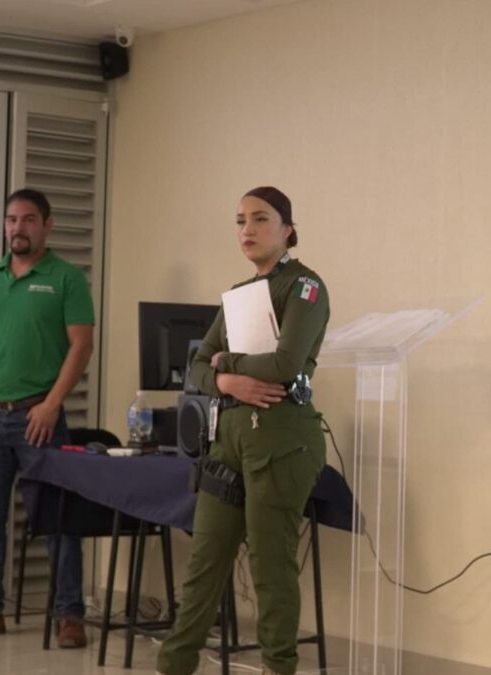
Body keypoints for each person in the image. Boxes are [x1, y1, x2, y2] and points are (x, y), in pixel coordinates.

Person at [156, 186, 329, 675]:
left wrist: (225, 362)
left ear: (287, 230)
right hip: (227, 440)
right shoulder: (238, 295)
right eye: (240, 221)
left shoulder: (306, 287)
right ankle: (173, 666)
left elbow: (286, 362)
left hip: (281, 442)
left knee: (271, 569)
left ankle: (279, 667)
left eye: (259, 219)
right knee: (204, 565)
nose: (247, 230)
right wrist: (228, 380)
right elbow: (194, 367)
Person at [0, 189, 95, 648]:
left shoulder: (66, 279)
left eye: (28, 219)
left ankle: (70, 616)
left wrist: (51, 404)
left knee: (56, 518)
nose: (17, 228)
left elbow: (81, 346)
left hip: (39, 417)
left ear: (47, 225)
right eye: (11, 220)